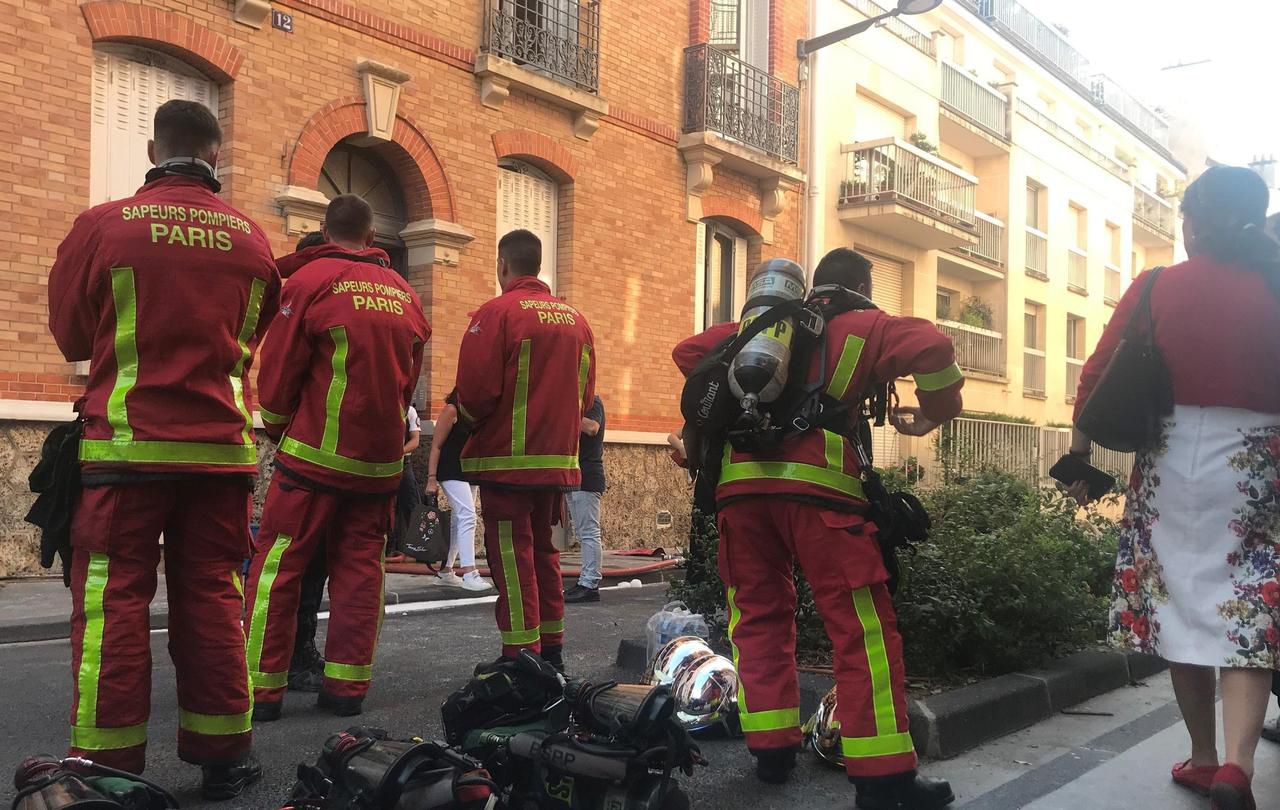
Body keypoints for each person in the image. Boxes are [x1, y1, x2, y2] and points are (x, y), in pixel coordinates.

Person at [46, 99, 279, 799]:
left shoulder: (104, 226)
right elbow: (256, 333)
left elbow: (69, 335)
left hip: (126, 452)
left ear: (154, 151)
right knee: (212, 597)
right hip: (220, 457)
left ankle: (106, 767)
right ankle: (223, 756)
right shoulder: (252, 239)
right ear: (216, 154)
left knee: (114, 601)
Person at [672, 249, 963, 809]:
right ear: (862, 285)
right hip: (822, 500)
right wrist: (933, 411)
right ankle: (883, 778)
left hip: (742, 497)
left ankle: (771, 750)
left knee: (756, 616)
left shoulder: (760, 331)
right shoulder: (864, 327)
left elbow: (687, 352)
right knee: (860, 629)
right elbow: (933, 348)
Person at [1066, 166, 1280, 809]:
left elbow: (1098, 373)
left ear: (1191, 221)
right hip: (1260, 458)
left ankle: (1204, 757)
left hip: (1169, 457)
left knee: (1178, 599)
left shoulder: (1158, 286)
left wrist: (1079, 454)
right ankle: (1238, 767)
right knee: (1249, 602)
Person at [244, 194, 430, 721]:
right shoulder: (405, 295)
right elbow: (407, 385)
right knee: (360, 575)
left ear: (326, 233)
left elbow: (277, 376)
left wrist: (282, 432)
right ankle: (346, 691)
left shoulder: (309, 282)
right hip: (378, 468)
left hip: (312, 460)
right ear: (372, 239)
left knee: (277, 567)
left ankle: (261, 691)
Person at [454, 229, 595, 671]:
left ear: (502, 266)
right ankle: (551, 650)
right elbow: (586, 398)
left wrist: (475, 425)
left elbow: (474, 394)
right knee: (545, 555)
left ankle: (520, 657)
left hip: (507, 465)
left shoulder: (495, 314)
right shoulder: (577, 321)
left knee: (511, 559)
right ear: (539, 266)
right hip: (558, 465)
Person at [280, 230, 329, 695]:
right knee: (302, 567)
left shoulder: (299, 291)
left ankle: (293, 653)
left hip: (299, 457)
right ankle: (294, 656)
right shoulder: (302, 293)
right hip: (312, 460)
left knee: (297, 566)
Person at [425, 391, 490, 591]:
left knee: (458, 520)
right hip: (449, 470)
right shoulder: (452, 410)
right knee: (468, 516)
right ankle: (470, 572)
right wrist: (431, 479)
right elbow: (436, 446)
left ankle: (446, 571)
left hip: (468, 471)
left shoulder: (477, 414)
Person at [564, 395, 606, 603]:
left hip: (588, 475)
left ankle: (590, 584)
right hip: (574, 475)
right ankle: (585, 580)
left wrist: (563, 413)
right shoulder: (575, 404)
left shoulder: (592, 402)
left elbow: (592, 428)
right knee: (582, 532)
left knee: (589, 531)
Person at [393, 404, 423, 552]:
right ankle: (389, 548)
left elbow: (415, 441)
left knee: (412, 505)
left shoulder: (409, 411)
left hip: (403, 463)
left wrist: (398, 453)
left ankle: (417, 548)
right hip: (380, 465)